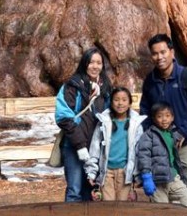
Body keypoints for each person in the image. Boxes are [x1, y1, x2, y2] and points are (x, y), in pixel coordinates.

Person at [138, 33, 187, 209]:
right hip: (160, 147)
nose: (159, 57)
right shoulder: (150, 81)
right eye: (155, 53)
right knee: (162, 190)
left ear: (172, 52)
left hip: (186, 144)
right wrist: (152, 136)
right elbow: (145, 111)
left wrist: (182, 131)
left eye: (163, 52)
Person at [54, 48, 112, 202]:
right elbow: (63, 117)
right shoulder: (72, 86)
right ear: (84, 64)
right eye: (91, 62)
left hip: (95, 149)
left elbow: (110, 117)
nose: (95, 66)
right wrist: (80, 145)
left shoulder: (106, 88)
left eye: (99, 63)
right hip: (74, 147)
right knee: (74, 190)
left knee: (90, 192)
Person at [85, 87, 145, 201]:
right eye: (116, 100)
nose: (120, 103)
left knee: (123, 207)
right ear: (111, 102)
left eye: (124, 100)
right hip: (107, 172)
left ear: (129, 103)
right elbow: (95, 148)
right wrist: (91, 172)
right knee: (108, 206)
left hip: (125, 172)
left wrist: (137, 175)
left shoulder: (136, 125)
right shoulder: (103, 123)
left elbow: (138, 151)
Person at [135, 102, 187, 207]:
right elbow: (144, 156)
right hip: (156, 181)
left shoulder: (173, 134)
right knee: (162, 209)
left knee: (186, 197)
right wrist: (146, 176)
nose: (164, 119)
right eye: (160, 116)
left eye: (167, 116)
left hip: (172, 177)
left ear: (172, 117)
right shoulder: (148, 135)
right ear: (154, 118)